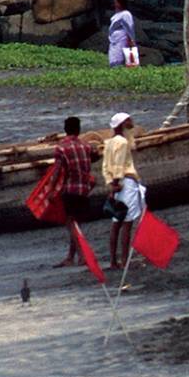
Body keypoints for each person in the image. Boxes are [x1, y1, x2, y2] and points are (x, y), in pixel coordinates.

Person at [50, 116, 95, 268]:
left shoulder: (61, 148)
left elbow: (56, 172)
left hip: (70, 189)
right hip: (84, 189)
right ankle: (70, 257)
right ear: (79, 129)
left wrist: (51, 190)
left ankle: (82, 256)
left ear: (65, 130)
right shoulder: (86, 146)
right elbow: (94, 156)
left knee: (71, 223)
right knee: (76, 224)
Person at [101, 113, 141, 269]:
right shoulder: (123, 142)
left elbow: (106, 167)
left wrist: (110, 184)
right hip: (126, 183)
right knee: (127, 222)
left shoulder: (109, 142)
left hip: (116, 184)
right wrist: (116, 182)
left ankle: (113, 261)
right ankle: (124, 261)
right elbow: (118, 165)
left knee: (116, 222)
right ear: (122, 123)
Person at [106, 0, 137, 67]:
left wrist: (131, 40)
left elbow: (129, 28)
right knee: (113, 57)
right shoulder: (116, 15)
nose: (115, 4)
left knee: (120, 57)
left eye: (116, 2)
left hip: (121, 39)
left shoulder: (126, 14)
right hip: (114, 40)